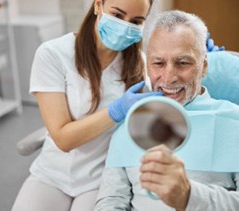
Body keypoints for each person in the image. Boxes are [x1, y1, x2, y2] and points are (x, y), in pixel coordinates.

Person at [11, 0, 162, 211]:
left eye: (136, 21)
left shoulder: (140, 65)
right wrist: (116, 110)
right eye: (118, 16)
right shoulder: (53, 54)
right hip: (51, 174)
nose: (125, 26)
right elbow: (63, 139)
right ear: (98, 5)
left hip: (101, 179)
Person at [94, 10, 239, 211]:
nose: (169, 77)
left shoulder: (235, 122)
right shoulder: (129, 124)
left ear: (203, 66)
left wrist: (189, 196)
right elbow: (110, 201)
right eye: (158, 63)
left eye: (183, 63)